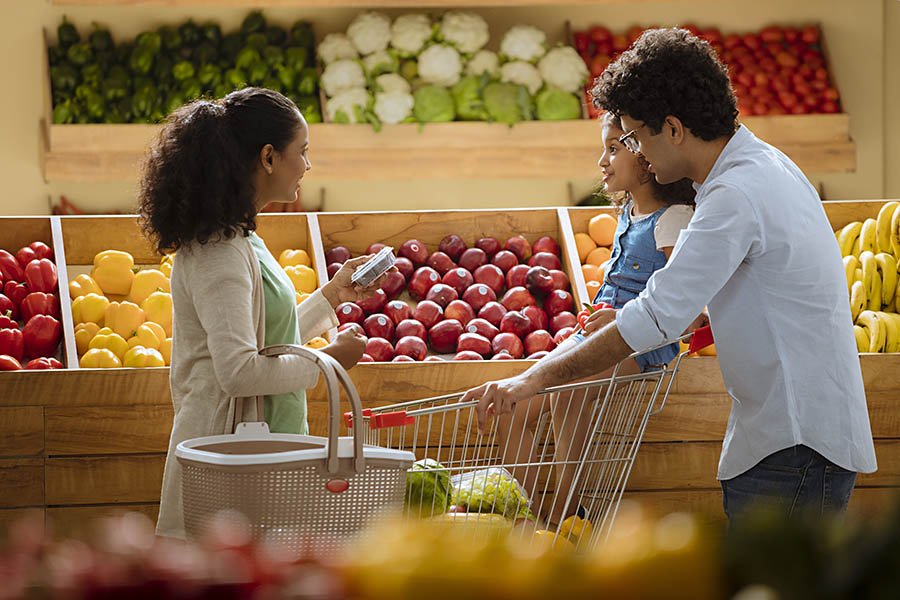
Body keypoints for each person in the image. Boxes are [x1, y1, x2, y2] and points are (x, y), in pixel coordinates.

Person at [463, 28, 877, 528]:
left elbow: (657, 316)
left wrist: (535, 379)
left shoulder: (734, 195)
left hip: (795, 446)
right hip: (788, 437)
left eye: (636, 137)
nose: (637, 152)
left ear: (675, 129)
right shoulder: (762, 166)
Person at [140, 88, 383, 539]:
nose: (307, 166)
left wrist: (331, 296)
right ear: (269, 157)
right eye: (302, 152)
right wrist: (329, 362)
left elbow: (267, 332)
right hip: (227, 461)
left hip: (258, 451)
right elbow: (240, 372)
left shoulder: (243, 238)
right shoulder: (220, 253)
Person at [496, 111, 695, 524]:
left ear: (646, 158)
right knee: (512, 407)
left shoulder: (674, 219)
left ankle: (569, 507)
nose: (602, 161)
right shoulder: (628, 215)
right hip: (599, 331)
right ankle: (533, 517)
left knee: (568, 390)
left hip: (642, 341)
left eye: (613, 149)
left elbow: (685, 309)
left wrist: (619, 319)